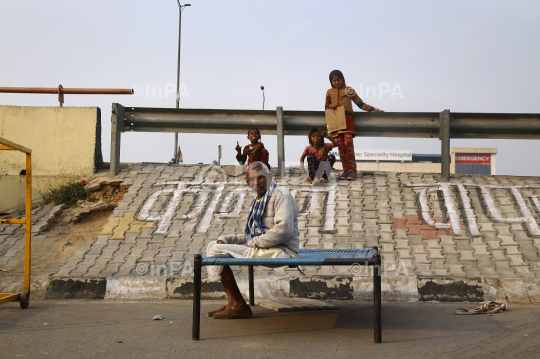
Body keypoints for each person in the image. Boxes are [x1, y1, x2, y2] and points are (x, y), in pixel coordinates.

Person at [206, 161, 299, 319]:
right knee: (214, 244)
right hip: (264, 249)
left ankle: (238, 305)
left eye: (260, 177)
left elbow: (282, 231)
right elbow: (248, 234)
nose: (256, 182)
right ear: (247, 182)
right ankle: (231, 302)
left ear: (269, 176)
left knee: (215, 251)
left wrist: (250, 244)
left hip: (281, 250)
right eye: (252, 179)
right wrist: (225, 239)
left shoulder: (281, 193)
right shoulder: (258, 201)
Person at [325, 70, 384, 180]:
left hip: (348, 121)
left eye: (338, 80)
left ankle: (353, 171)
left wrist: (376, 110)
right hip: (336, 123)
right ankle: (345, 170)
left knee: (348, 143)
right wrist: (330, 107)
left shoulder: (349, 90)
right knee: (341, 146)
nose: (337, 82)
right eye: (334, 81)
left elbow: (361, 104)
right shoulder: (329, 92)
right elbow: (326, 108)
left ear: (343, 79)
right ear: (331, 82)